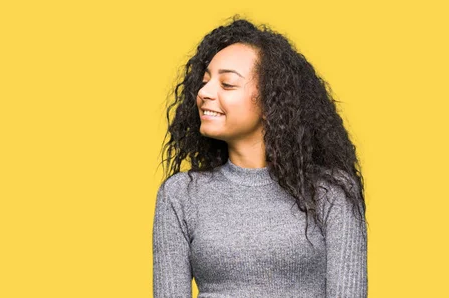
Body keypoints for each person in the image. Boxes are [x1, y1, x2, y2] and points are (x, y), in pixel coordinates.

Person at [153, 15, 368, 298]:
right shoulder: (180, 195)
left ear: (271, 102)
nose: (203, 93)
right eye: (204, 82)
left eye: (227, 84)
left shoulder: (331, 192)